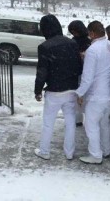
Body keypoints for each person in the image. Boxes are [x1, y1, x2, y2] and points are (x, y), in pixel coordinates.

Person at [34, 14, 82, 160]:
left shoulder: (44, 46)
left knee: (48, 123)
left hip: (54, 90)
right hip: (71, 89)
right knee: (70, 123)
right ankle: (69, 152)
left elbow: (42, 71)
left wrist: (38, 90)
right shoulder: (72, 43)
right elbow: (79, 67)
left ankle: (44, 152)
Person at [76, 21, 110, 164]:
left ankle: (95, 155)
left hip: (97, 95)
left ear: (92, 33)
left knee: (91, 124)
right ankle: (106, 150)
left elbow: (87, 76)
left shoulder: (93, 50)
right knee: (104, 122)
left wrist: (80, 93)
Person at [68, 20, 91, 127]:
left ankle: (81, 117)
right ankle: (78, 118)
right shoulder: (76, 41)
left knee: (82, 94)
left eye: (75, 31)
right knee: (77, 95)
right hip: (77, 70)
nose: (74, 34)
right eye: (72, 32)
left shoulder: (88, 41)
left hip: (84, 70)